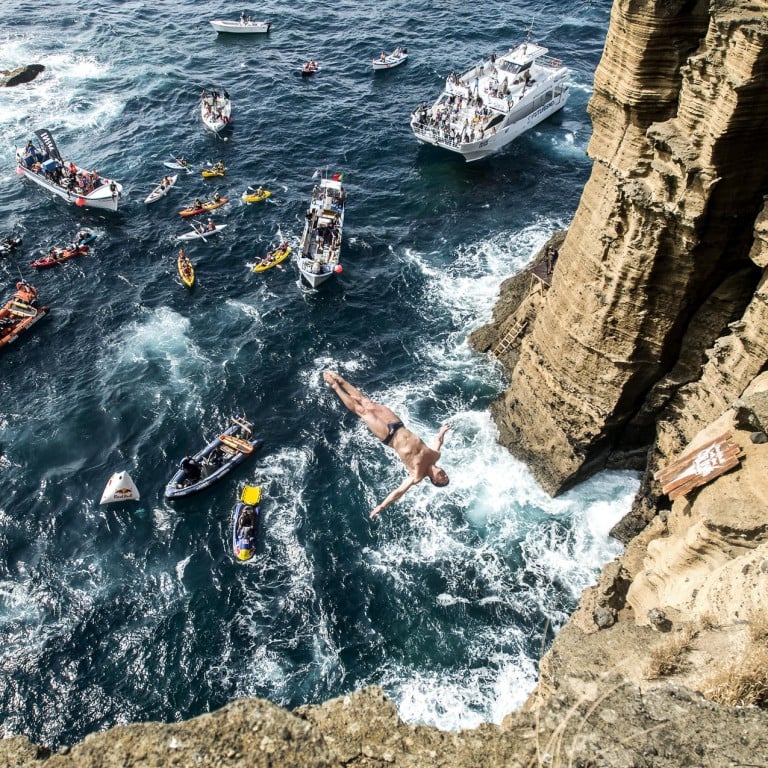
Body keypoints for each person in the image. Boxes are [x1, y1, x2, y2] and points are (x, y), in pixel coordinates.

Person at [323, 371, 451, 518]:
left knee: (362, 411)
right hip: (398, 424)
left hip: (388, 436)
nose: (444, 475)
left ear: (434, 481)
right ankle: (340, 380)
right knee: (367, 402)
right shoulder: (435, 455)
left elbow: (398, 492)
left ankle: (335, 386)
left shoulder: (417, 475)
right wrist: (442, 432)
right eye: (446, 475)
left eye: (443, 479)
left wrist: (381, 506)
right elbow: (438, 442)